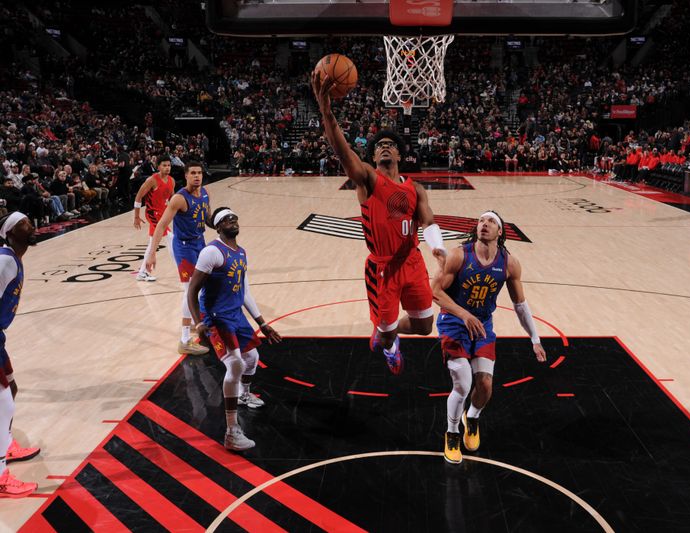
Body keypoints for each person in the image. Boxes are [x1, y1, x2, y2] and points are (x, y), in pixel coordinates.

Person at [311, 69, 447, 375]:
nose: (384, 146)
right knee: (384, 335)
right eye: (379, 145)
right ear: (372, 157)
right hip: (382, 269)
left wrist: (437, 247)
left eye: (390, 144)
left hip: (412, 263)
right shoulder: (367, 181)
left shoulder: (416, 188)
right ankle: (389, 342)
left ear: (400, 153)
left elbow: (428, 220)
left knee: (426, 326)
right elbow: (342, 151)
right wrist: (326, 112)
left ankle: (391, 334)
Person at [431, 211, 547, 464]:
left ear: (501, 232)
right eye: (481, 220)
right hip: (454, 322)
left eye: (491, 221)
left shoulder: (510, 263)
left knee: (484, 385)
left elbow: (520, 304)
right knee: (462, 383)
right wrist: (463, 314)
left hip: (482, 325)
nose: (484, 224)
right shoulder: (459, 255)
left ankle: (471, 417)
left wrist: (535, 339)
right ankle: (451, 434)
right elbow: (436, 292)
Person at [187, 207, 282, 451]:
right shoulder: (212, 252)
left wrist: (262, 323)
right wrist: (199, 324)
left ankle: (243, 394)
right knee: (236, 364)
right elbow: (192, 291)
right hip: (217, 318)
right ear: (218, 227)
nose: (233, 221)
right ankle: (231, 431)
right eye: (227, 219)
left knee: (252, 357)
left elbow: (245, 291)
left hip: (236, 315)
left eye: (234, 218)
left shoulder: (241, 253)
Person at [146, 161, 210, 355]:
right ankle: (184, 340)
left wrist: (223, 222)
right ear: (186, 176)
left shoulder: (205, 193)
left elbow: (206, 218)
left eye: (199, 173)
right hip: (184, 248)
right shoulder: (179, 198)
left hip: (200, 242)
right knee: (190, 290)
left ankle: (194, 321)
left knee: (205, 285)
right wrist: (152, 253)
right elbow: (161, 224)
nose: (197, 176)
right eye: (193, 173)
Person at [0, 213, 41, 496]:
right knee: (4, 403)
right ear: (10, 232)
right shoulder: (4, 260)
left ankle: (7, 443)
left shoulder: (14, 257)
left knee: (11, 389)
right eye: (22, 222)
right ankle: (1, 474)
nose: (29, 224)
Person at [133, 155, 175, 281]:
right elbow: (138, 197)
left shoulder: (171, 181)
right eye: (164, 165)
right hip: (152, 213)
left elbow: (172, 199)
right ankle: (181, 267)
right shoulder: (152, 180)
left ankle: (142, 272)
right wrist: (136, 216)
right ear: (158, 167)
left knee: (153, 243)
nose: (167, 168)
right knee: (170, 238)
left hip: (162, 213)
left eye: (169, 165)